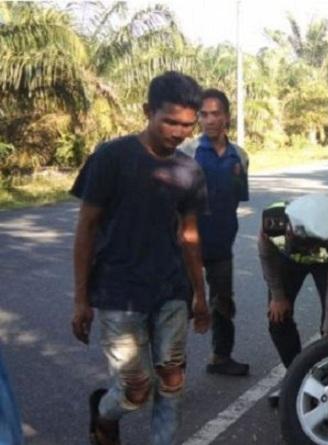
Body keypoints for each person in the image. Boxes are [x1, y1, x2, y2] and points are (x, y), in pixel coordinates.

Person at [70, 71, 209, 445]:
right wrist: (81, 300)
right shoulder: (111, 157)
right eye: (170, 121)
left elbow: (190, 236)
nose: (179, 132)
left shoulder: (190, 170)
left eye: (187, 125)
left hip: (171, 290)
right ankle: (103, 415)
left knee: (173, 379)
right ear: (148, 111)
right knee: (135, 390)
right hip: (119, 292)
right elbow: (86, 227)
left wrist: (201, 295)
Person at [180, 89, 250, 376]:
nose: (209, 120)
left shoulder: (240, 156)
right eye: (204, 114)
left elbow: (236, 199)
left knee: (223, 303)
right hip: (187, 246)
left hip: (222, 244)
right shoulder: (187, 153)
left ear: (226, 117)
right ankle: (173, 366)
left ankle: (221, 357)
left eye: (215, 113)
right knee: (181, 307)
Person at [258, 194, 328, 369]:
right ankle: (295, 371)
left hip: (325, 265)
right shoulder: (272, 220)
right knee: (278, 318)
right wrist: (277, 296)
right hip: (287, 260)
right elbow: (266, 257)